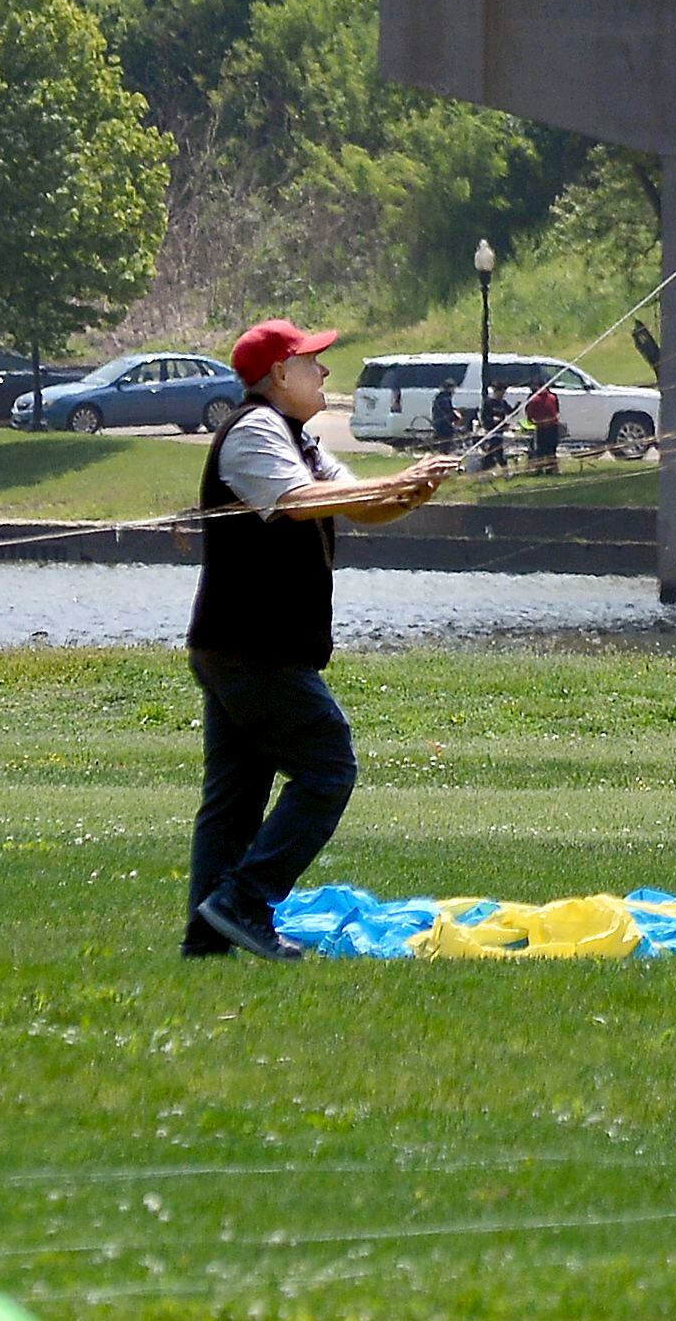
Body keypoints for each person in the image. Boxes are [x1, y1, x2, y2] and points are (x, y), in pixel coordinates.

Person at [183, 320, 452, 961]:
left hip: (241, 644)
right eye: (312, 363)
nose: (324, 374)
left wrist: (410, 492)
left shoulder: (297, 439)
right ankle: (246, 901)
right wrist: (392, 483)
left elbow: (353, 502)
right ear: (279, 373)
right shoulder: (254, 432)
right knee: (329, 767)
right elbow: (302, 503)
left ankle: (207, 939)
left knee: (234, 799)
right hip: (252, 647)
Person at [526, 377, 563, 474]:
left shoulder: (534, 399)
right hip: (553, 427)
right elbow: (557, 412)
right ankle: (552, 468)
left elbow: (530, 416)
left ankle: (538, 469)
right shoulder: (553, 397)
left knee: (540, 450)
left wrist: (533, 421)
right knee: (551, 449)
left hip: (541, 427)